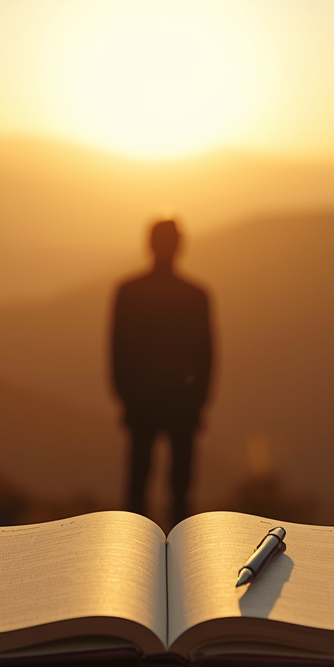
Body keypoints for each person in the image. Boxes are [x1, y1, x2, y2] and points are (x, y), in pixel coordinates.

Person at [109, 218, 214, 526]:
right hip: (178, 403)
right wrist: (199, 401)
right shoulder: (195, 295)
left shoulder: (129, 291)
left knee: (139, 484)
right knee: (177, 488)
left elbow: (118, 351)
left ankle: (135, 550)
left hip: (146, 402)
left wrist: (126, 398)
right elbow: (206, 356)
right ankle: (181, 555)